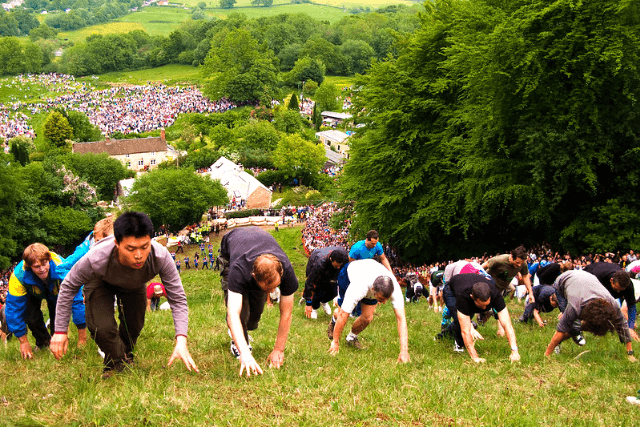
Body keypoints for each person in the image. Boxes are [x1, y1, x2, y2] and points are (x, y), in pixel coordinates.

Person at [50, 211, 198, 378]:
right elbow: (69, 286)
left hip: (134, 284)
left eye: (144, 247)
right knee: (102, 328)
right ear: (117, 243)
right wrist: (60, 331)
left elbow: (177, 298)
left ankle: (122, 358)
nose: (139, 255)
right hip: (100, 281)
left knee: (133, 325)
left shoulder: (160, 256)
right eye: (131, 248)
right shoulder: (96, 257)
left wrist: (181, 339)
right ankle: (119, 362)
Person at [219, 227, 298, 377]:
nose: (272, 292)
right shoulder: (239, 269)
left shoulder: (286, 269)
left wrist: (278, 350)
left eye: (275, 287)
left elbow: (286, 313)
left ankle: (243, 332)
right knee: (241, 312)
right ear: (254, 276)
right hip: (231, 250)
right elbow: (233, 313)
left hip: (257, 242)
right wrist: (245, 353)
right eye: (267, 288)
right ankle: (238, 341)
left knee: (254, 316)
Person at [5, 243, 87, 360]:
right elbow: (13, 309)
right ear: (29, 266)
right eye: (37, 266)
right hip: (31, 293)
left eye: (44, 264)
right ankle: (43, 342)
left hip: (56, 288)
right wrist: (23, 341)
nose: (42, 269)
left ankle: (58, 340)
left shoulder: (62, 267)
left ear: (49, 260)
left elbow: (76, 301)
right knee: (31, 317)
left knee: (57, 315)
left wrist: (82, 340)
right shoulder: (18, 276)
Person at [328, 259, 410, 363]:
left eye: (386, 299)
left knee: (367, 318)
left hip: (370, 277)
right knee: (341, 312)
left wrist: (404, 351)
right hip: (348, 276)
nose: (384, 303)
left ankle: (351, 338)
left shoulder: (395, 289)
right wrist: (335, 342)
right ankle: (333, 321)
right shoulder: (359, 286)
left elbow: (401, 319)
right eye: (381, 299)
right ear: (373, 290)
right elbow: (344, 314)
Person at [545, 270, 636, 362]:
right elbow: (560, 329)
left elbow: (622, 325)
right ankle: (558, 344)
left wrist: (630, 353)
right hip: (563, 281)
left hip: (587, 279)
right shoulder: (575, 306)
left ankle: (576, 331)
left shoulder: (611, 303)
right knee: (571, 324)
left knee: (578, 327)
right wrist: (546, 356)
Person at [441, 273, 520, 363]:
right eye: (481, 305)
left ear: (490, 297)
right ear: (472, 298)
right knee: (460, 320)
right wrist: (475, 357)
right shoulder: (463, 296)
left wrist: (514, 351)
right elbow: (465, 331)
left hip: (469, 285)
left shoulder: (496, 295)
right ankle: (457, 343)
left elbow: (507, 325)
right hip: (451, 290)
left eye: (486, 305)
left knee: (467, 320)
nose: (483, 309)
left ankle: (445, 334)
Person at [583, 262, 638, 341]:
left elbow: (631, 306)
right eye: (616, 289)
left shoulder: (628, 285)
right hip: (588, 278)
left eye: (621, 291)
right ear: (611, 281)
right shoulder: (597, 277)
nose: (618, 292)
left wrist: (630, 327)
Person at [303, 246, 348, 319]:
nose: (338, 267)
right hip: (315, 260)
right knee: (319, 287)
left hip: (331, 268)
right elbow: (310, 282)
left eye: (340, 266)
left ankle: (324, 301)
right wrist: (308, 303)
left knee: (334, 288)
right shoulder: (319, 264)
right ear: (331, 260)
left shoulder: (344, 259)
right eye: (336, 265)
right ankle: (315, 308)